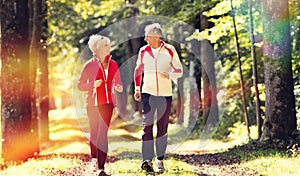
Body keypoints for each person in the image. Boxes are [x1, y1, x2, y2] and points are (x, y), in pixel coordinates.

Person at [134, 23, 183, 173]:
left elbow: (179, 70)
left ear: (156, 36)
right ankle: (146, 160)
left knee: (162, 127)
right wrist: (137, 89)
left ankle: (159, 160)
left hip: (164, 93)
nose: (145, 38)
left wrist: (169, 74)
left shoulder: (170, 50)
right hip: (147, 93)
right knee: (147, 125)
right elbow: (138, 70)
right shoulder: (143, 51)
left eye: (147, 35)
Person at [78, 34, 123, 176]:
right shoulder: (89, 65)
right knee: (94, 133)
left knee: (103, 134)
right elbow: (80, 85)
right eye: (105, 45)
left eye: (108, 45)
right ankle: (94, 158)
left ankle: (101, 168)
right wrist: (92, 85)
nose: (108, 48)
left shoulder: (113, 64)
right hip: (92, 104)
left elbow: (118, 81)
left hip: (108, 104)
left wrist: (119, 86)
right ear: (96, 48)